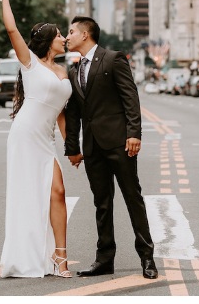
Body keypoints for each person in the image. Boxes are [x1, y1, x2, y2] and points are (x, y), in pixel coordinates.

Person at [0, 0, 77, 278]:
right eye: (60, 36)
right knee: (31, 193)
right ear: (49, 42)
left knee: (58, 192)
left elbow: (62, 114)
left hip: (46, 139)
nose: (65, 39)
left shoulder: (64, 72)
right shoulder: (29, 63)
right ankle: (34, 254)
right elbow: (12, 29)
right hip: (25, 135)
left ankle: (59, 257)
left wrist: (71, 149)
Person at [62, 16, 157, 280]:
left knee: (132, 199)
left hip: (119, 144)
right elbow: (74, 114)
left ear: (85, 34)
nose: (67, 37)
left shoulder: (113, 58)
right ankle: (104, 259)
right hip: (92, 148)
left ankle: (147, 257)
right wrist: (72, 148)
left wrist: (134, 133)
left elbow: (130, 96)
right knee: (102, 205)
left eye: (70, 32)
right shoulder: (74, 70)